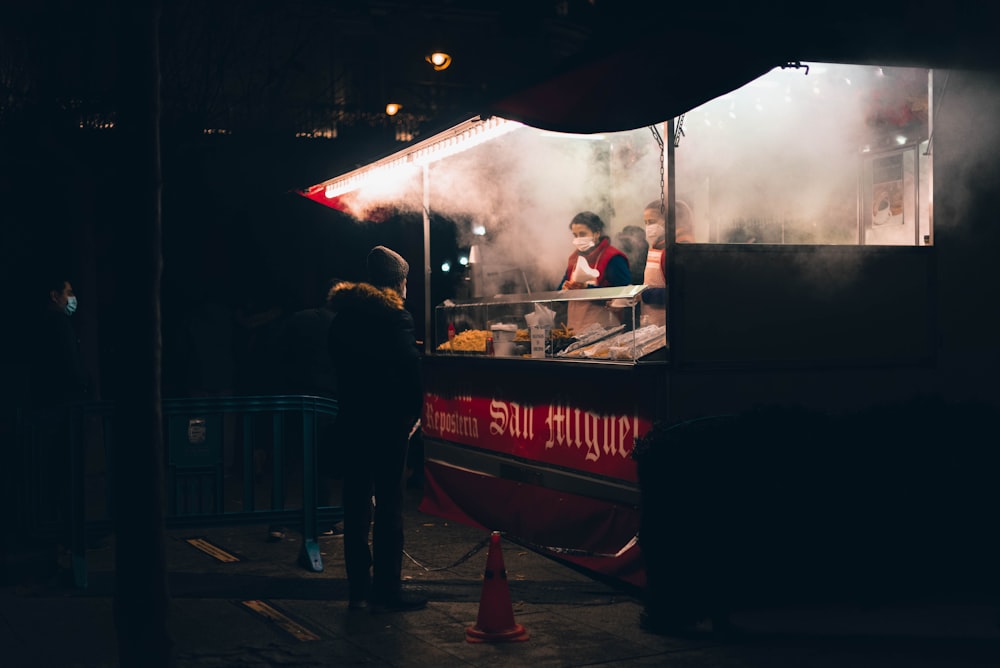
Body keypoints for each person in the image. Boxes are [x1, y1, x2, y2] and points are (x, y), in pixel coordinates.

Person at [326, 246, 425, 613]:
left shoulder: (343, 317)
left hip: (352, 419)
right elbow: (409, 370)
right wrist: (414, 414)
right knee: (389, 505)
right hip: (387, 425)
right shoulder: (395, 317)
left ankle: (357, 588)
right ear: (398, 282)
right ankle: (387, 588)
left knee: (354, 504)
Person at [269, 277, 345, 543]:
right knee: (320, 463)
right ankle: (320, 522)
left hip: (290, 400)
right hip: (325, 402)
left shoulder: (299, 319)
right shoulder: (341, 327)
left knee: (286, 462)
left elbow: (276, 355)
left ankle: (276, 523)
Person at [558, 211, 631, 333]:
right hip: (574, 329)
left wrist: (586, 289)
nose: (578, 239)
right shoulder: (574, 258)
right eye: (575, 235)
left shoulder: (613, 258)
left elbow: (624, 296)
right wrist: (566, 289)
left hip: (604, 329)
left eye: (582, 234)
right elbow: (559, 292)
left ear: (597, 233)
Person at [640, 199, 695, 327]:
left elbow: (681, 292)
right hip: (653, 323)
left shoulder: (679, 248)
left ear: (670, 221)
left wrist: (642, 295)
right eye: (646, 223)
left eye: (652, 222)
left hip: (671, 324)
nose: (648, 227)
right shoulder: (656, 247)